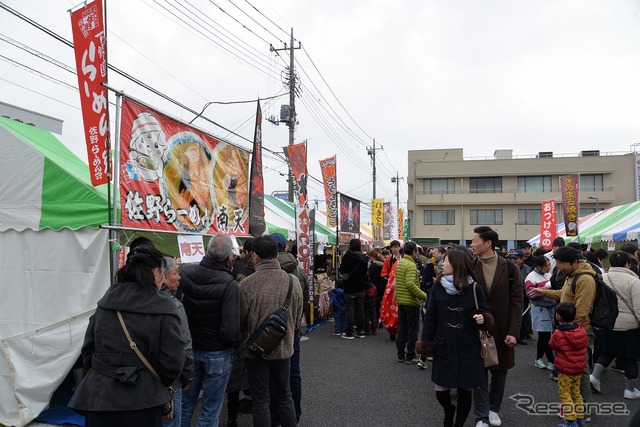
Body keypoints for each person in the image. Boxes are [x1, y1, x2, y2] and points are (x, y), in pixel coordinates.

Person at [69, 246, 185, 427]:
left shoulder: (106, 301)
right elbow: (173, 362)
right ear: (155, 272)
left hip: (101, 397)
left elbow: (88, 350)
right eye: (163, 273)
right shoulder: (164, 307)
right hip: (144, 400)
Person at [418, 250, 494, 427]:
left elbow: (486, 313)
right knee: (441, 392)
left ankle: (458, 424)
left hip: (468, 347)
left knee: (465, 391)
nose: (442, 264)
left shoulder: (475, 288)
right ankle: (448, 410)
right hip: (443, 345)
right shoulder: (438, 287)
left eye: (446, 261)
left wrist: (483, 318)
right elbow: (430, 319)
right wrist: (425, 345)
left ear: (457, 265)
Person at [239, 236, 303, 427]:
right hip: (284, 348)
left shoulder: (246, 284)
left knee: (261, 401)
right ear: (277, 254)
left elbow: (240, 320)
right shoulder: (293, 281)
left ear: (255, 256)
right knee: (285, 396)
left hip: (255, 350)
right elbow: (297, 314)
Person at [180, 234, 242, 427]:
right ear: (227, 257)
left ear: (207, 250)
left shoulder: (186, 273)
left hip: (189, 349)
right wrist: (235, 344)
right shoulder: (229, 283)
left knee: (185, 404)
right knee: (210, 408)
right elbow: (230, 327)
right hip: (217, 352)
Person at [529, 246, 596, 417]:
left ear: (574, 262)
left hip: (580, 332)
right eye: (556, 264)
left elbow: (581, 312)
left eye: (561, 264)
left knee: (581, 370)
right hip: (569, 330)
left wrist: (563, 326)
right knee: (570, 370)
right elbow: (564, 294)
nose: (559, 268)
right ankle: (572, 405)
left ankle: (582, 410)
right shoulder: (571, 275)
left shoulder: (585, 280)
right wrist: (543, 292)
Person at [471, 226, 522, 427]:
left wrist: (513, 332)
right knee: (478, 372)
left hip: (502, 328)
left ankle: (494, 409)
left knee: (500, 372)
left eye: (475, 241)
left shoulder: (510, 268)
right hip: (477, 328)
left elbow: (517, 302)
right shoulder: (470, 265)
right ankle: (481, 415)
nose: (472, 244)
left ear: (488, 243)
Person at [589, 251, 640, 399]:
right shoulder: (634, 282)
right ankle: (630, 390)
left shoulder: (601, 278)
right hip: (629, 326)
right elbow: (638, 307)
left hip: (607, 323)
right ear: (628, 264)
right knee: (630, 357)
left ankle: (595, 377)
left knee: (608, 352)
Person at [160, 257, 194, 427]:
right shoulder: (174, 306)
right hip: (171, 380)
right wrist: (187, 376)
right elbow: (184, 345)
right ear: (162, 276)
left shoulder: (135, 300)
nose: (179, 277)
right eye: (175, 273)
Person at [549, 302, 588, 427]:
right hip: (578, 369)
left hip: (565, 370)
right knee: (576, 392)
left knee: (565, 394)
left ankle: (570, 420)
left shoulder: (558, 333)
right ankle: (580, 418)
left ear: (558, 316)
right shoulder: (581, 330)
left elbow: (552, 345)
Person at [394, 241, 427, 364]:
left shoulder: (400, 263)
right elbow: (410, 283)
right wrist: (423, 295)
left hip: (401, 300)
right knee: (413, 330)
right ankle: (410, 356)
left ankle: (400, 355)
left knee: (402, 329)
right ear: (414, 252)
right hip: (411, 302)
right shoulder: (411, 265)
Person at [524, 255, 555, 372]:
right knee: (545, 336)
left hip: (550, 307)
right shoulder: (531, 277)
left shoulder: (548, 274)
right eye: (546, 266)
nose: (549, 267)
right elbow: (530, 294)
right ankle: (551, 361)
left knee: (544, 336)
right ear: (539, 266)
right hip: (541, 309)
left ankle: (538, 358)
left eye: (549, 265)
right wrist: (545, 291)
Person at [339, 238, 369, 339]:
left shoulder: (347, 256)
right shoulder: (364, 257)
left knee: (350, 310)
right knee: (360, 310)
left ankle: (350, 332)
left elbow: (342, 269)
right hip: (360, 286)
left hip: (349, 286)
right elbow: (365, 273)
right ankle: (361, 331)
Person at [508, 250, 533, 345]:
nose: (513, 260)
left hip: (524, 296)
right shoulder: (509, 268)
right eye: (512, 258)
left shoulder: (527, 270)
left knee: (523, 316)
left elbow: (530, 284)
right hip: (511, 295)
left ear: (522, 259)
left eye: (516, 258)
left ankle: (521, 336)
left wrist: (530, 298)